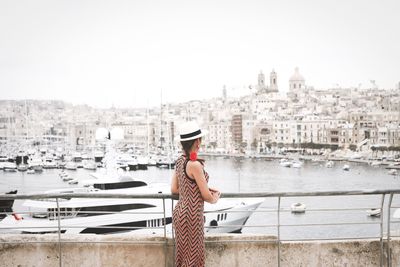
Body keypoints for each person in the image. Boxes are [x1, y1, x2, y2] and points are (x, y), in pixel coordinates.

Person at [171, 121, 220, 267]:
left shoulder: (180, 161)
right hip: (192, 215)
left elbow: (174, 189)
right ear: (197, 142)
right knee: (193, 257)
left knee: (183, 256)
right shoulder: (195, 165)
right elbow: (206, 196)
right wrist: (215, 197)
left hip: (180, 212)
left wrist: (197, 190)